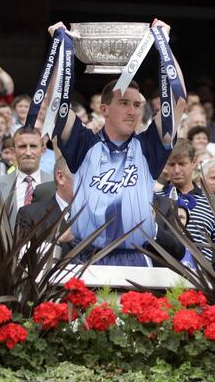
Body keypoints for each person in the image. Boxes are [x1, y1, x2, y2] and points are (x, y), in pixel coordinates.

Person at [50, 19, 187, 266]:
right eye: (124, 103)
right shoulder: (83, 144)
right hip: (86, 258)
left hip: (135, 257)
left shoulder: (148, 147)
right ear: (104, 109)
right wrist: (60, 50)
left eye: (137, 105)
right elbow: (55, 103)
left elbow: (178, 101)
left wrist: (164, 48)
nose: (132, 111)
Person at [156, 139, 215, 262]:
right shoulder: (155, 200)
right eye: (171, 164)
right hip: (162, 273)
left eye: (182, 164)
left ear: (194, 162)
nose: (177, 170)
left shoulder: (212, 203)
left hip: (202, 275)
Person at [0, 126, 53, 227]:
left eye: (33, 146)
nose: (28, 153)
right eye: (22, 146)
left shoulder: (56, 185)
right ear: (13, 151)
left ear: (43, 150)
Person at [16, 157, 76, 258]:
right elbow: (21, 255)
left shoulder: (99, 214)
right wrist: (57, 239)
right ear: (61, 177)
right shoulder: (30, 214)